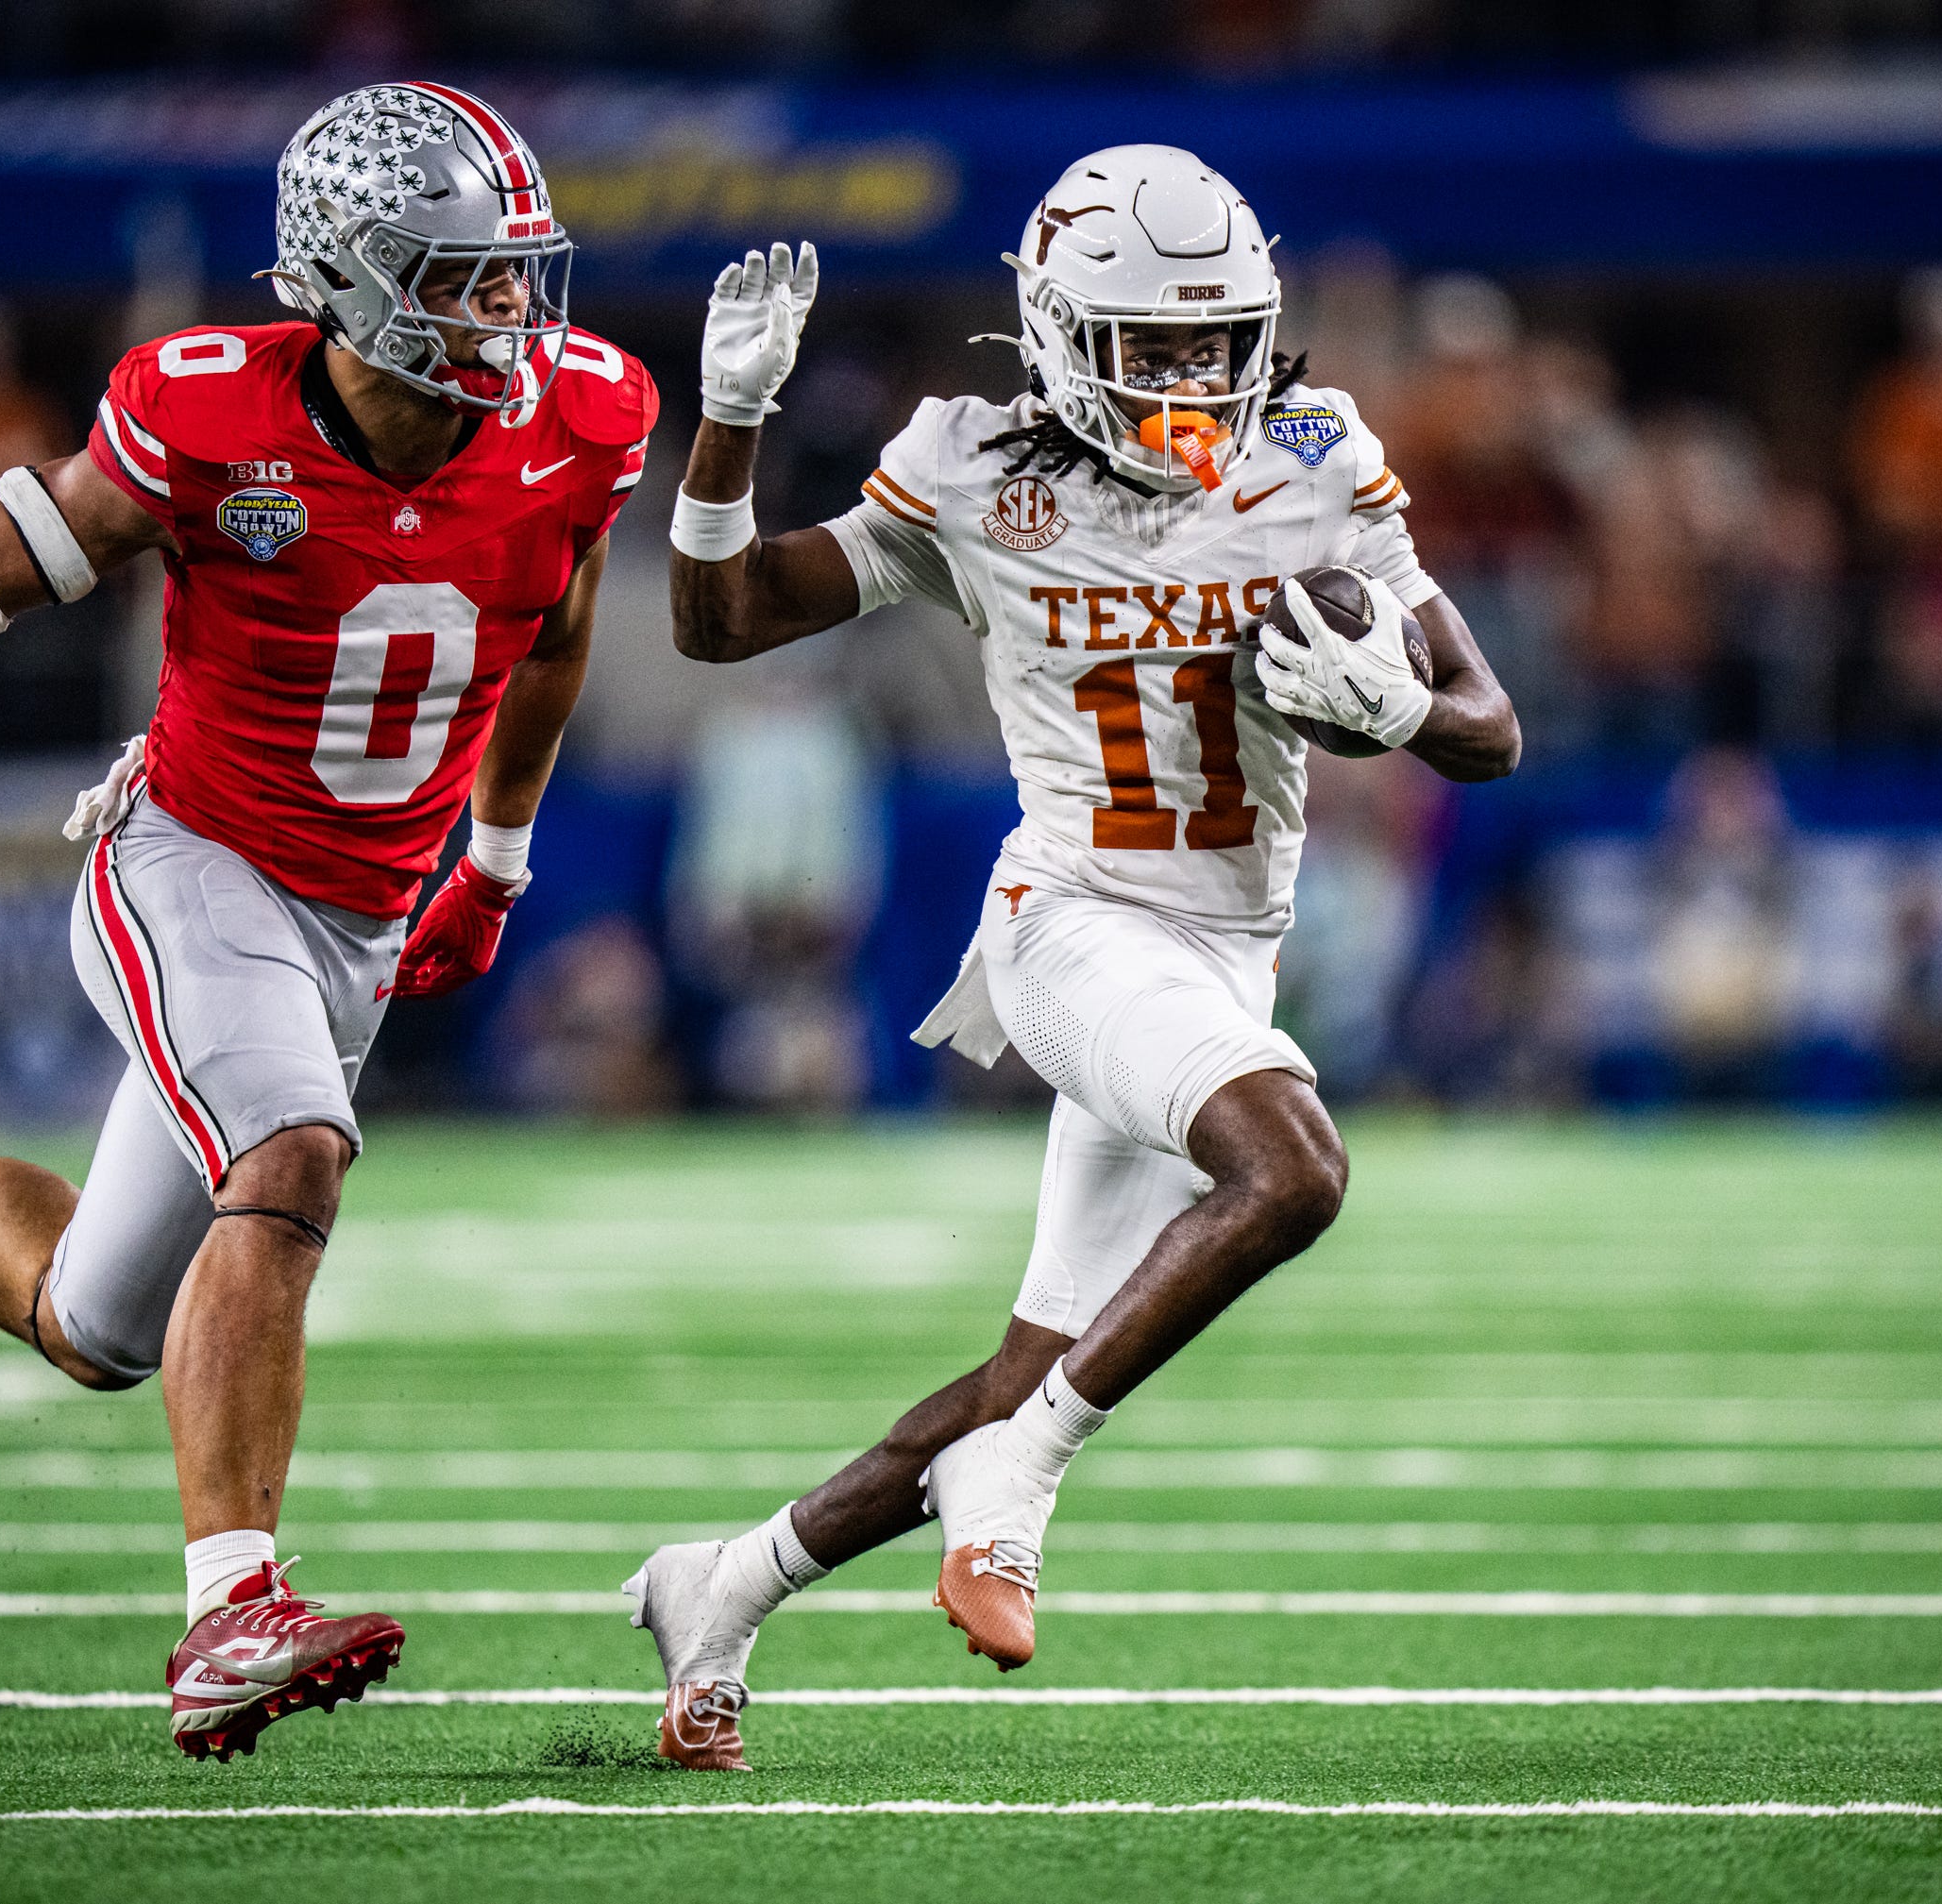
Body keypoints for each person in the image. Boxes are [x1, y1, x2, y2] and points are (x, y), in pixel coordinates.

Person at [0, 82, 656, 1761]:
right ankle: (228, 1611)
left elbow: (549, 636)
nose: (511, 315)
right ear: (346, 277)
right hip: (190, 863)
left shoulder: (584, 416)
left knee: (99, 1326)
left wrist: (495, 859)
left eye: (515, 275)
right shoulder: (203, 413)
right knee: (297, 1149)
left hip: (358, 911)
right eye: (464, 278)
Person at [628, 144, 1519, 1770]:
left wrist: (1400, 710)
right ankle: (1024, 1476)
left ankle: (729, 1583)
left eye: (1214, 343)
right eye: (1152, 349)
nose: (1193, 383)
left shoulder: (1316, 454)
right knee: (1296, 1168)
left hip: (1224, 956)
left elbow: (1491, 728)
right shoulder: (969, 469)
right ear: (1051, 337)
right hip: (1073, 924)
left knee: (1025, 1359)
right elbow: (723, 617)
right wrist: (732, 423)